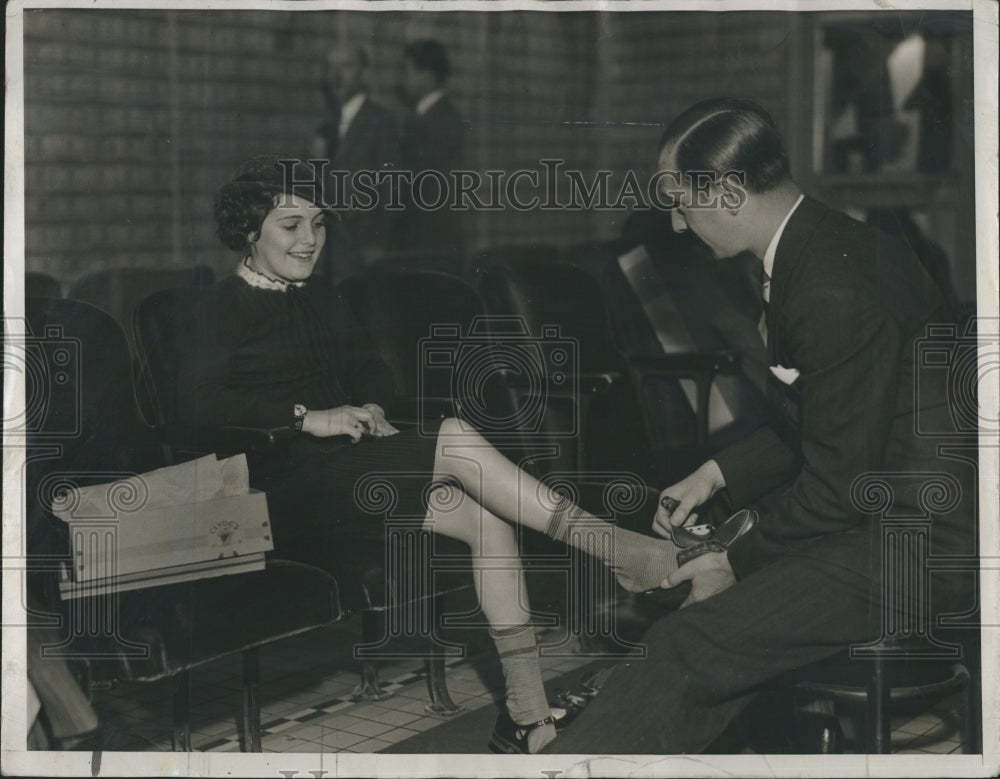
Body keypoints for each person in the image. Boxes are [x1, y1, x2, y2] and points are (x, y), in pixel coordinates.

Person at [177, 154, 689, 754]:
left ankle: (526, 718)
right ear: (248, 231)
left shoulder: (319, 300)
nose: (309, 240)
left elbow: (372, 370)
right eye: (291, 226)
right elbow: (198, 406)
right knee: (452, 433)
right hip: (277, 492)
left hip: (342, 472)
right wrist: (306, 418)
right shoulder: (218, 306)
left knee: (486, 515)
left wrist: (367, 405)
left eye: (317, 224)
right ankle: (616, 548)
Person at [544, 98, 976, 754]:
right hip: (880, 514)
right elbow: (828, 419)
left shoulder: (832, 286)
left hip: (915, 548)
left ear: (728, 191)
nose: (678, 225)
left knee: (689, 638)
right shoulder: (821, 246)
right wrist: (716, 472)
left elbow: (834, 487)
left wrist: (732, 561)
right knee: (698, 575)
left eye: (680, 201)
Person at [311, 45, 401, 279]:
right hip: (328, 247)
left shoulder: (380, 120)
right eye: (331, 67)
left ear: (364, 73)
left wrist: (378, 244)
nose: (337, 74)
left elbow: (391, 185)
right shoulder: (326, 124)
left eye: (347, 66)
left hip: (362, 247)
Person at [392, 39, 466, 272]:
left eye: (406, 70)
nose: (401, 79)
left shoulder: (442, 120)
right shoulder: (425, 117)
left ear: (427, 74)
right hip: (423, 241)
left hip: (430, 243)